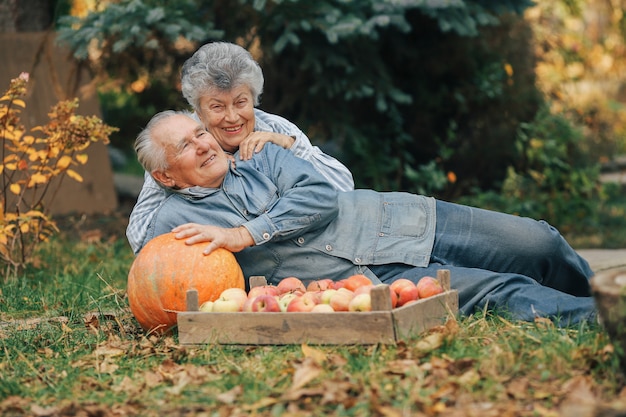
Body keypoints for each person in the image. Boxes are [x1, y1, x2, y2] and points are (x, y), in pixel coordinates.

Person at [133, 111, 597, 326]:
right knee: (502, 293)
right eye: (185, 146)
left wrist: (241, 235)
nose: (203, 144)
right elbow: (159, 280)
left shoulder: (259, 154)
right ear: (165, 175)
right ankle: (604, 324)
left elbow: (319, 196)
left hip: (401, 221)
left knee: (539, 243)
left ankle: (604, 297)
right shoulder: (174, 224)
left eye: (200, 133)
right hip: (369, 279)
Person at [126, 42, 354, 254]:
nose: (232, 117)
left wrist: (289, 147)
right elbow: (140, 238)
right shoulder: (176, 146)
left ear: (253, 98)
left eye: (240, 102)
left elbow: (342, 189)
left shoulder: (274, 127)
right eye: (217, 106)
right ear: (199, 110)